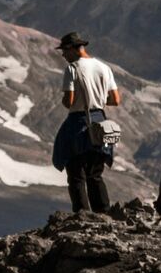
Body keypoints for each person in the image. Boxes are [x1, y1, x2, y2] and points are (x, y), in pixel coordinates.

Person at [49, 31, 122, 214]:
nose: (63, 55)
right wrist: (97, 99)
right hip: (100, 122)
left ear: (72, 49)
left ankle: (82, 213)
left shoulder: (72, 69)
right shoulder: (104, 67)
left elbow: (69, 101)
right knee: (95, 174)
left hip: (78, 123)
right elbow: (115, 99)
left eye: (64, 51)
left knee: (76, 174)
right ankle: (103, 212)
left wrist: (71, 100)